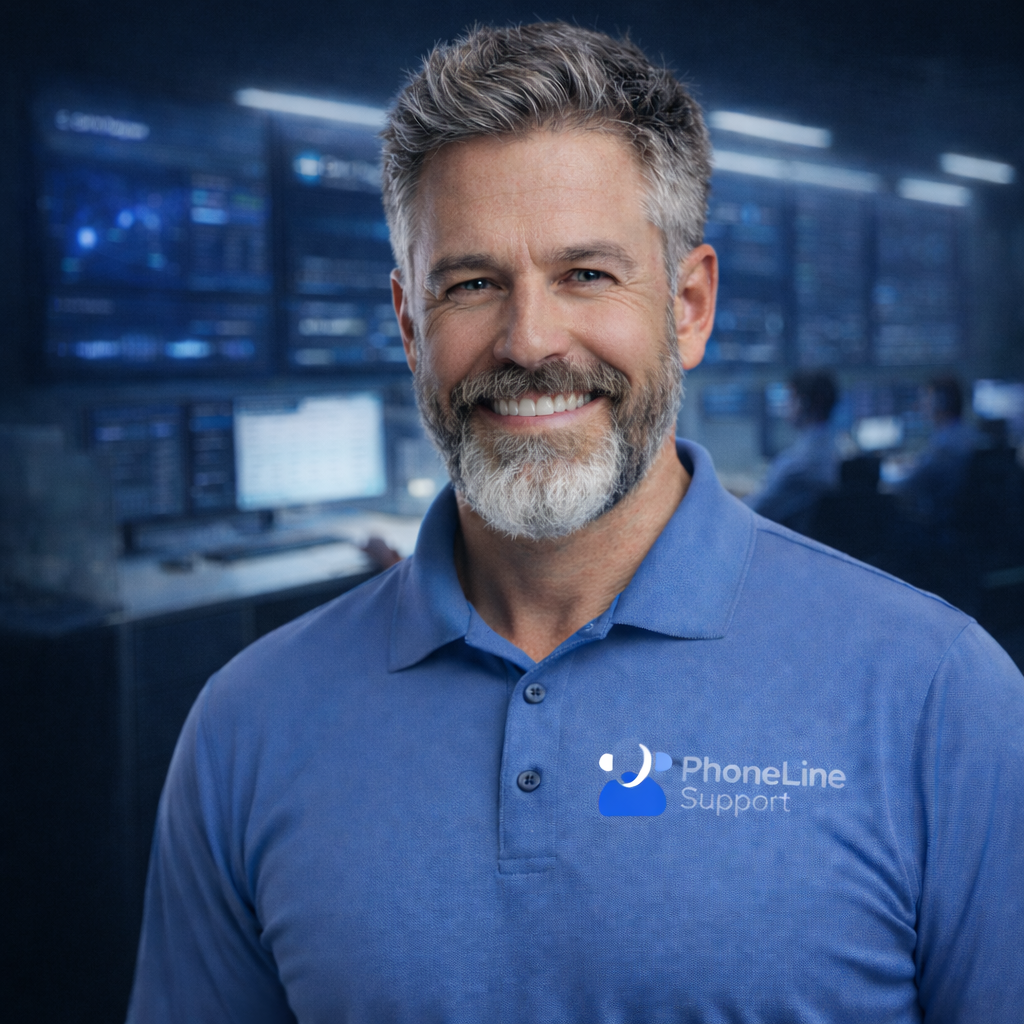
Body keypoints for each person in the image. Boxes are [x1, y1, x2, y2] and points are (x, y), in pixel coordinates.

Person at [127, 24, 1023, 1023]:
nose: (529, 340)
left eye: (586, 275)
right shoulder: (244, 725)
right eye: (471, 283)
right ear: (408, 324)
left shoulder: (941, 698)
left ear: (687, 306)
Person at [746, 370, 839, 532]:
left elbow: (750, 513)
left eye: (790, 398)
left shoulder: (797, 464)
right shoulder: (831, 453)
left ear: (807, 403)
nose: (785, 406)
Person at [895, 376, 979, 532]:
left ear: (940, 402)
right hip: (968, 527)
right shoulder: (970, 436)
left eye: (926, 399)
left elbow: (908, 485)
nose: (921, 405)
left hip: (943, 525)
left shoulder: (945, 445)